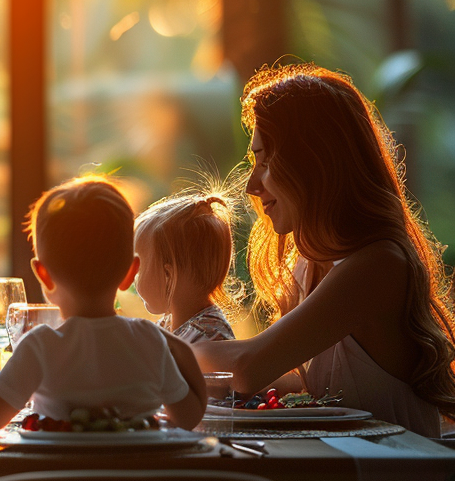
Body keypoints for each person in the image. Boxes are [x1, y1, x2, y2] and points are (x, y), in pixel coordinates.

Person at [193, 65, 455, 436]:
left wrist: (153, 347)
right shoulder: (310, 264)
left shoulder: (379, 266)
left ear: (313, 162)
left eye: (265, 161)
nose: (252, 185)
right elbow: (298, 384)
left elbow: (249, 366)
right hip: (348, 476)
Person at [0, 176, 207, 439]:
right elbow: (189, 417)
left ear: (43, 277)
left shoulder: (42, 347)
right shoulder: (149, 341)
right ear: (129, 274)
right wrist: (178, 347)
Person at [133, 192, 239, 344]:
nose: (134, 276)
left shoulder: (207, 338)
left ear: (168, 275)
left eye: (139, 266)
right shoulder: (170, 324)